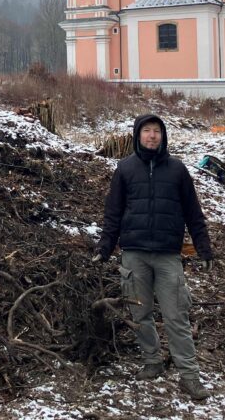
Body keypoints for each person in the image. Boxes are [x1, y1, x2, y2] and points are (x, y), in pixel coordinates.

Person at [91, 113, 214, 402]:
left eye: (156, 131)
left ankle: (189, 376)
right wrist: (105, 247)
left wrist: (204, 248)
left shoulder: (177, 170)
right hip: (134, 255)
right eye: (146, 130)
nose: (152, 135)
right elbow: (113, 213)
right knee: (140, 314)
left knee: (176, 316)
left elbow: (193, 213)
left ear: (163, 136)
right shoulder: (124, 169)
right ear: (138, 135)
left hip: (167, 255)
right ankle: (152, 361)